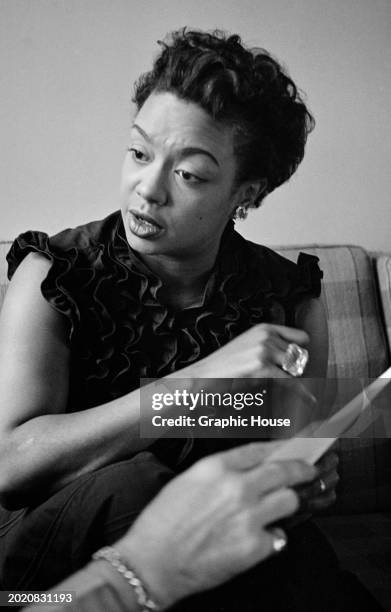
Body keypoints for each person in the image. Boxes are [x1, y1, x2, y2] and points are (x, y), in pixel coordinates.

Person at [0, 28, 379, 610]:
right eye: (138, 152)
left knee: (291, 551)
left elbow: (288, 448)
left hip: (215, 564)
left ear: (243, 194)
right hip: (40, 581)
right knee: (142, 487)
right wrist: (192, 387)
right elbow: (12, 466)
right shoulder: (55, 273)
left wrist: (304, 482)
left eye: (190, 174)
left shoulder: (289, 299)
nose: (146, 190)